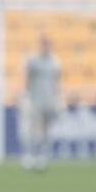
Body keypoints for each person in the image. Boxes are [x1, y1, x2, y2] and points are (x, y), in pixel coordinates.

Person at [21, 36, 61, 171]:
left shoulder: (55, 62)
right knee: (33, 130)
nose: (46, 48)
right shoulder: (33, 61)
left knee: (45, 131)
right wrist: (26, 96)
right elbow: (27, 79)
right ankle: (29, 156)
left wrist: (58, 98)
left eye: (48, 45)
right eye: (44, 45)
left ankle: (41, 158)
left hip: (49, 101)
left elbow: (57, 82)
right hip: (35, 100)